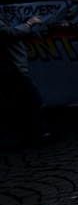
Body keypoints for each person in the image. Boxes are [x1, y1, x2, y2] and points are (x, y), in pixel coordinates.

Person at [0, 14, 50, 145]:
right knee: (31, 100)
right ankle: (38, 134)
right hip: (11, 67)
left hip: (8, 67)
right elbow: (9, 33)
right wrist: (29, 24)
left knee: (20, 102)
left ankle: (29, 134)